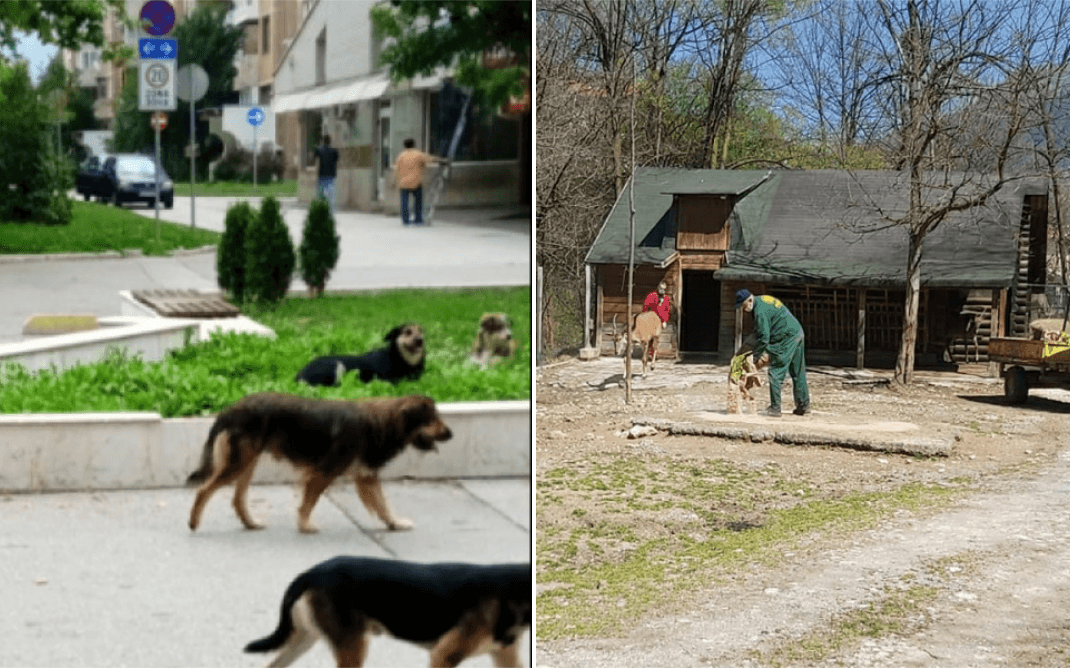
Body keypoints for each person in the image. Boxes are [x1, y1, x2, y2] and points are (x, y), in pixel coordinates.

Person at [735, 288, 810, 417]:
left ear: (749, 300)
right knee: (797, 371)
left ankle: (775, 409)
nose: (743, 309)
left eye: (743, 305)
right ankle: (803, 405)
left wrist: (754, 358)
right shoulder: (762, 301)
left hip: (787, 337)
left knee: (776, 371)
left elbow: (764, 338)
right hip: (797, 332)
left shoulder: (760, 311)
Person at [393, 138, 443, 225]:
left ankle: (405, 220)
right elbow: (429, 158)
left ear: (404, 145)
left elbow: (396, 168)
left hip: (403, 182)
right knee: (418, 201)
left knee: (404, 202)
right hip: (416, 181)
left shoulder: (400, 156)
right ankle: (418, 218)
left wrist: (394, 181)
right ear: (414, 144)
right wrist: (441, 160)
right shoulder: (418, 154)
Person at [641, 281, 672, 359]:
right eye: (661, 288)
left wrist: (665, 320)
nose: (662, 290)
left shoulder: (666, 298)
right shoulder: (652, 296)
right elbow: (645, 306)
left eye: (663, 289)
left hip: (659, 321)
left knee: (656, 338)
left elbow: (666, 310)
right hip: (650, 320)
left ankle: (653, 354)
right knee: (648, 338)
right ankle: (646, 354)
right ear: (658, 287)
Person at [312, 135, 339, 211]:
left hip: (321, 176)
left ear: (323, 141)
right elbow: (336, 160)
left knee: (320, 196)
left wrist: (317, 144)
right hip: (331, 177)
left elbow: (314, 156)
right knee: (331, 197)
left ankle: (320, 211)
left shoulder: (320, 151)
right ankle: (331, 213)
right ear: (330, 142)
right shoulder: (334, 152)